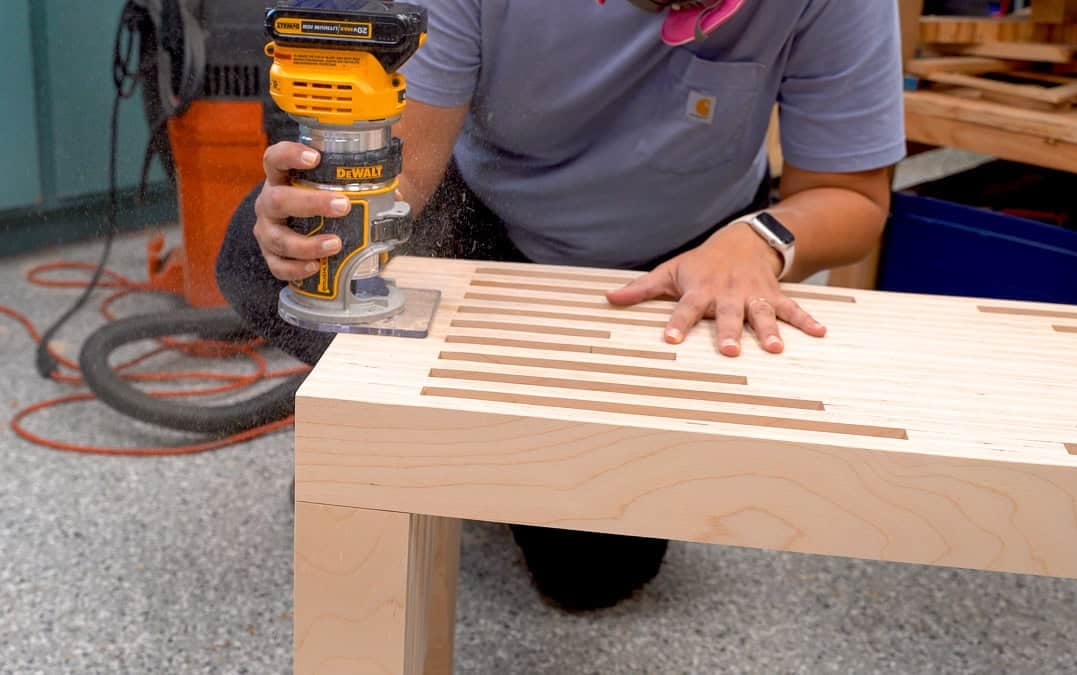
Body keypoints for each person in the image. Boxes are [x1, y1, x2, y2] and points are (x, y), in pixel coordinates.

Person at [216, 0, 905, 612]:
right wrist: (328, 220)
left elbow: (853, 198)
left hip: (690, 257)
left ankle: (458, 422)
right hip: (496, 223)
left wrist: (762, 242)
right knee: (263, 263)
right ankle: (412, 419)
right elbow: (404, 174)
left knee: (593, 574)